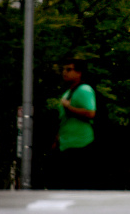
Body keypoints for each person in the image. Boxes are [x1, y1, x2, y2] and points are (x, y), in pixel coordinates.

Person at [52, 58, 97, 190]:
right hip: (66, 145)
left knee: (79, 185)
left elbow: (91, 113)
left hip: (82, 144)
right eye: (64, 69)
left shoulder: (84, 90)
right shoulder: (68, 93)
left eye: (69, 69)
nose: (64, 72)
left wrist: (69, 106)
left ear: (79, 73)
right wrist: (57, 139)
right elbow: (64, 120)